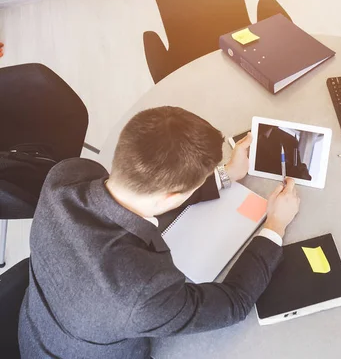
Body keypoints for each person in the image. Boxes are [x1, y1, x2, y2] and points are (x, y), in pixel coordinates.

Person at [18, 106, 301, 358]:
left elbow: (143, 189)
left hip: (38, 327)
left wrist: (226, 174)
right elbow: (234, 303)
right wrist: (274, 224)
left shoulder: (65, 176)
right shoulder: (143, 293)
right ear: (170, 197)